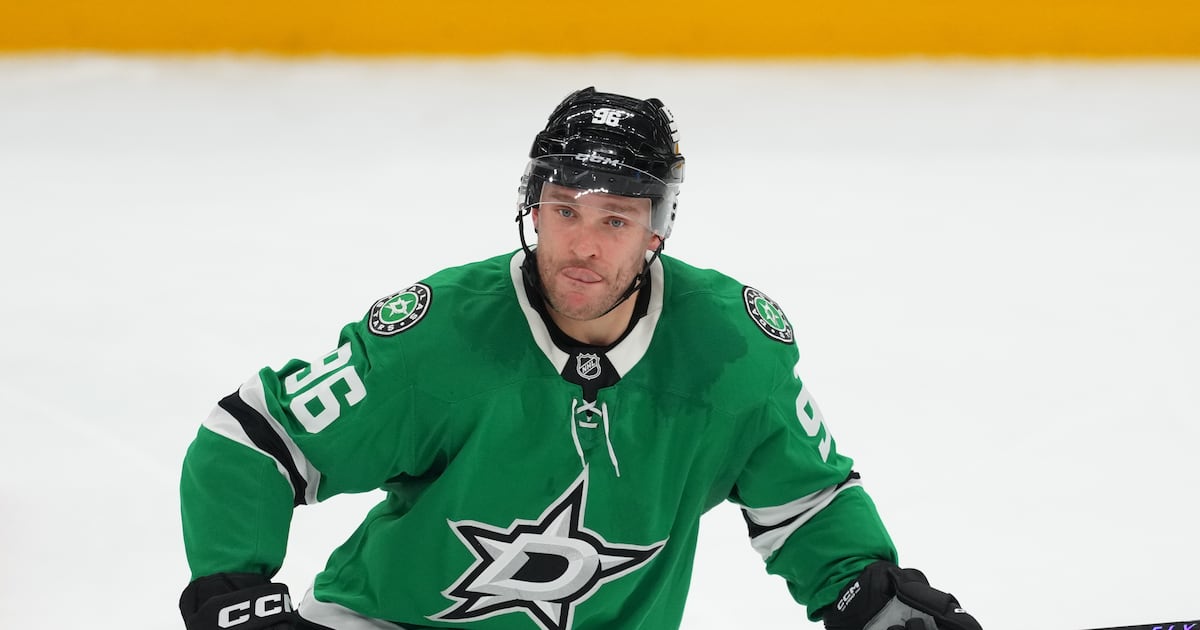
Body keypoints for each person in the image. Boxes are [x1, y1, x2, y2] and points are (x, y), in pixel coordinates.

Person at [179, 87, 982, 630]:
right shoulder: (440, 335)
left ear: (657, 230)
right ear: (532, 208)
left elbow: (805, 502)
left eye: (615, 220)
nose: (582, 246)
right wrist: (235, 592)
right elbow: (251, 444)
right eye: (564, 210)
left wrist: (865, 591)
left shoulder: (731, 350)